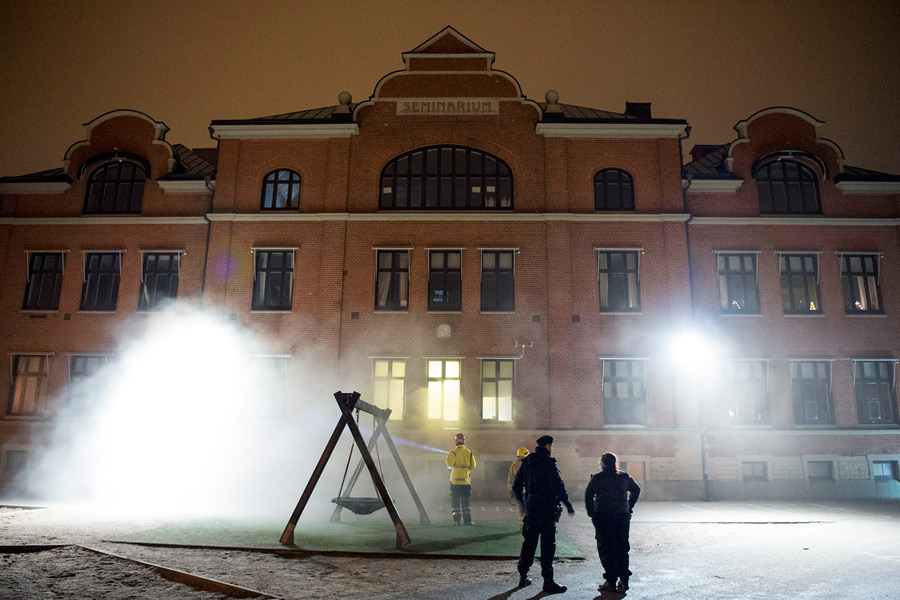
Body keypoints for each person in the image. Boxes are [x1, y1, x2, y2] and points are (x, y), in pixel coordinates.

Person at [512, 435, 574, 594]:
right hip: (547, 508)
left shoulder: (528, 462)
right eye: (551, 446)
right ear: (548, 446)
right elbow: (558, 486)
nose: (552, 448)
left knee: (529, 542)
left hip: (532, 508)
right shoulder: (548, 463)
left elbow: (516, 486)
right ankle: (548, 581)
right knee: (548, 545)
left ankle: (523, 576)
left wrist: (524, 503)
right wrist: (567, 504)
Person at [584, 452, 641, 592]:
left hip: (603, 516)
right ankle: (624, 580)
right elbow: (637, 489)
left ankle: (610, 581)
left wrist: (592, 513)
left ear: (602, 463)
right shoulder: (624, 476)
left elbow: (588, 494)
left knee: (606, 548)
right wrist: (629, 505)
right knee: (622, 547)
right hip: (622, 515)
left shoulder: (598, 478)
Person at [446, 432, 476, 525]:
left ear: (456, 441)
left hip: (454, 482)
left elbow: (448, 466)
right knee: (465, 502)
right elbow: (473, 466)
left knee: (455, 501)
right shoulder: (469, 452)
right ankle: (467, 521)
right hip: (465, 482)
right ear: (464, 441)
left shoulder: (452, 453)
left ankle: (457, 520)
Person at [507, 447, 529, 528]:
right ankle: (529, 525)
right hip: (528, 491)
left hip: (518, 491)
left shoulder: (514, 465)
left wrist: (510, 490)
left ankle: (522, 525)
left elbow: (510, 479)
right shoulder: (529, 464)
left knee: (521, 508)